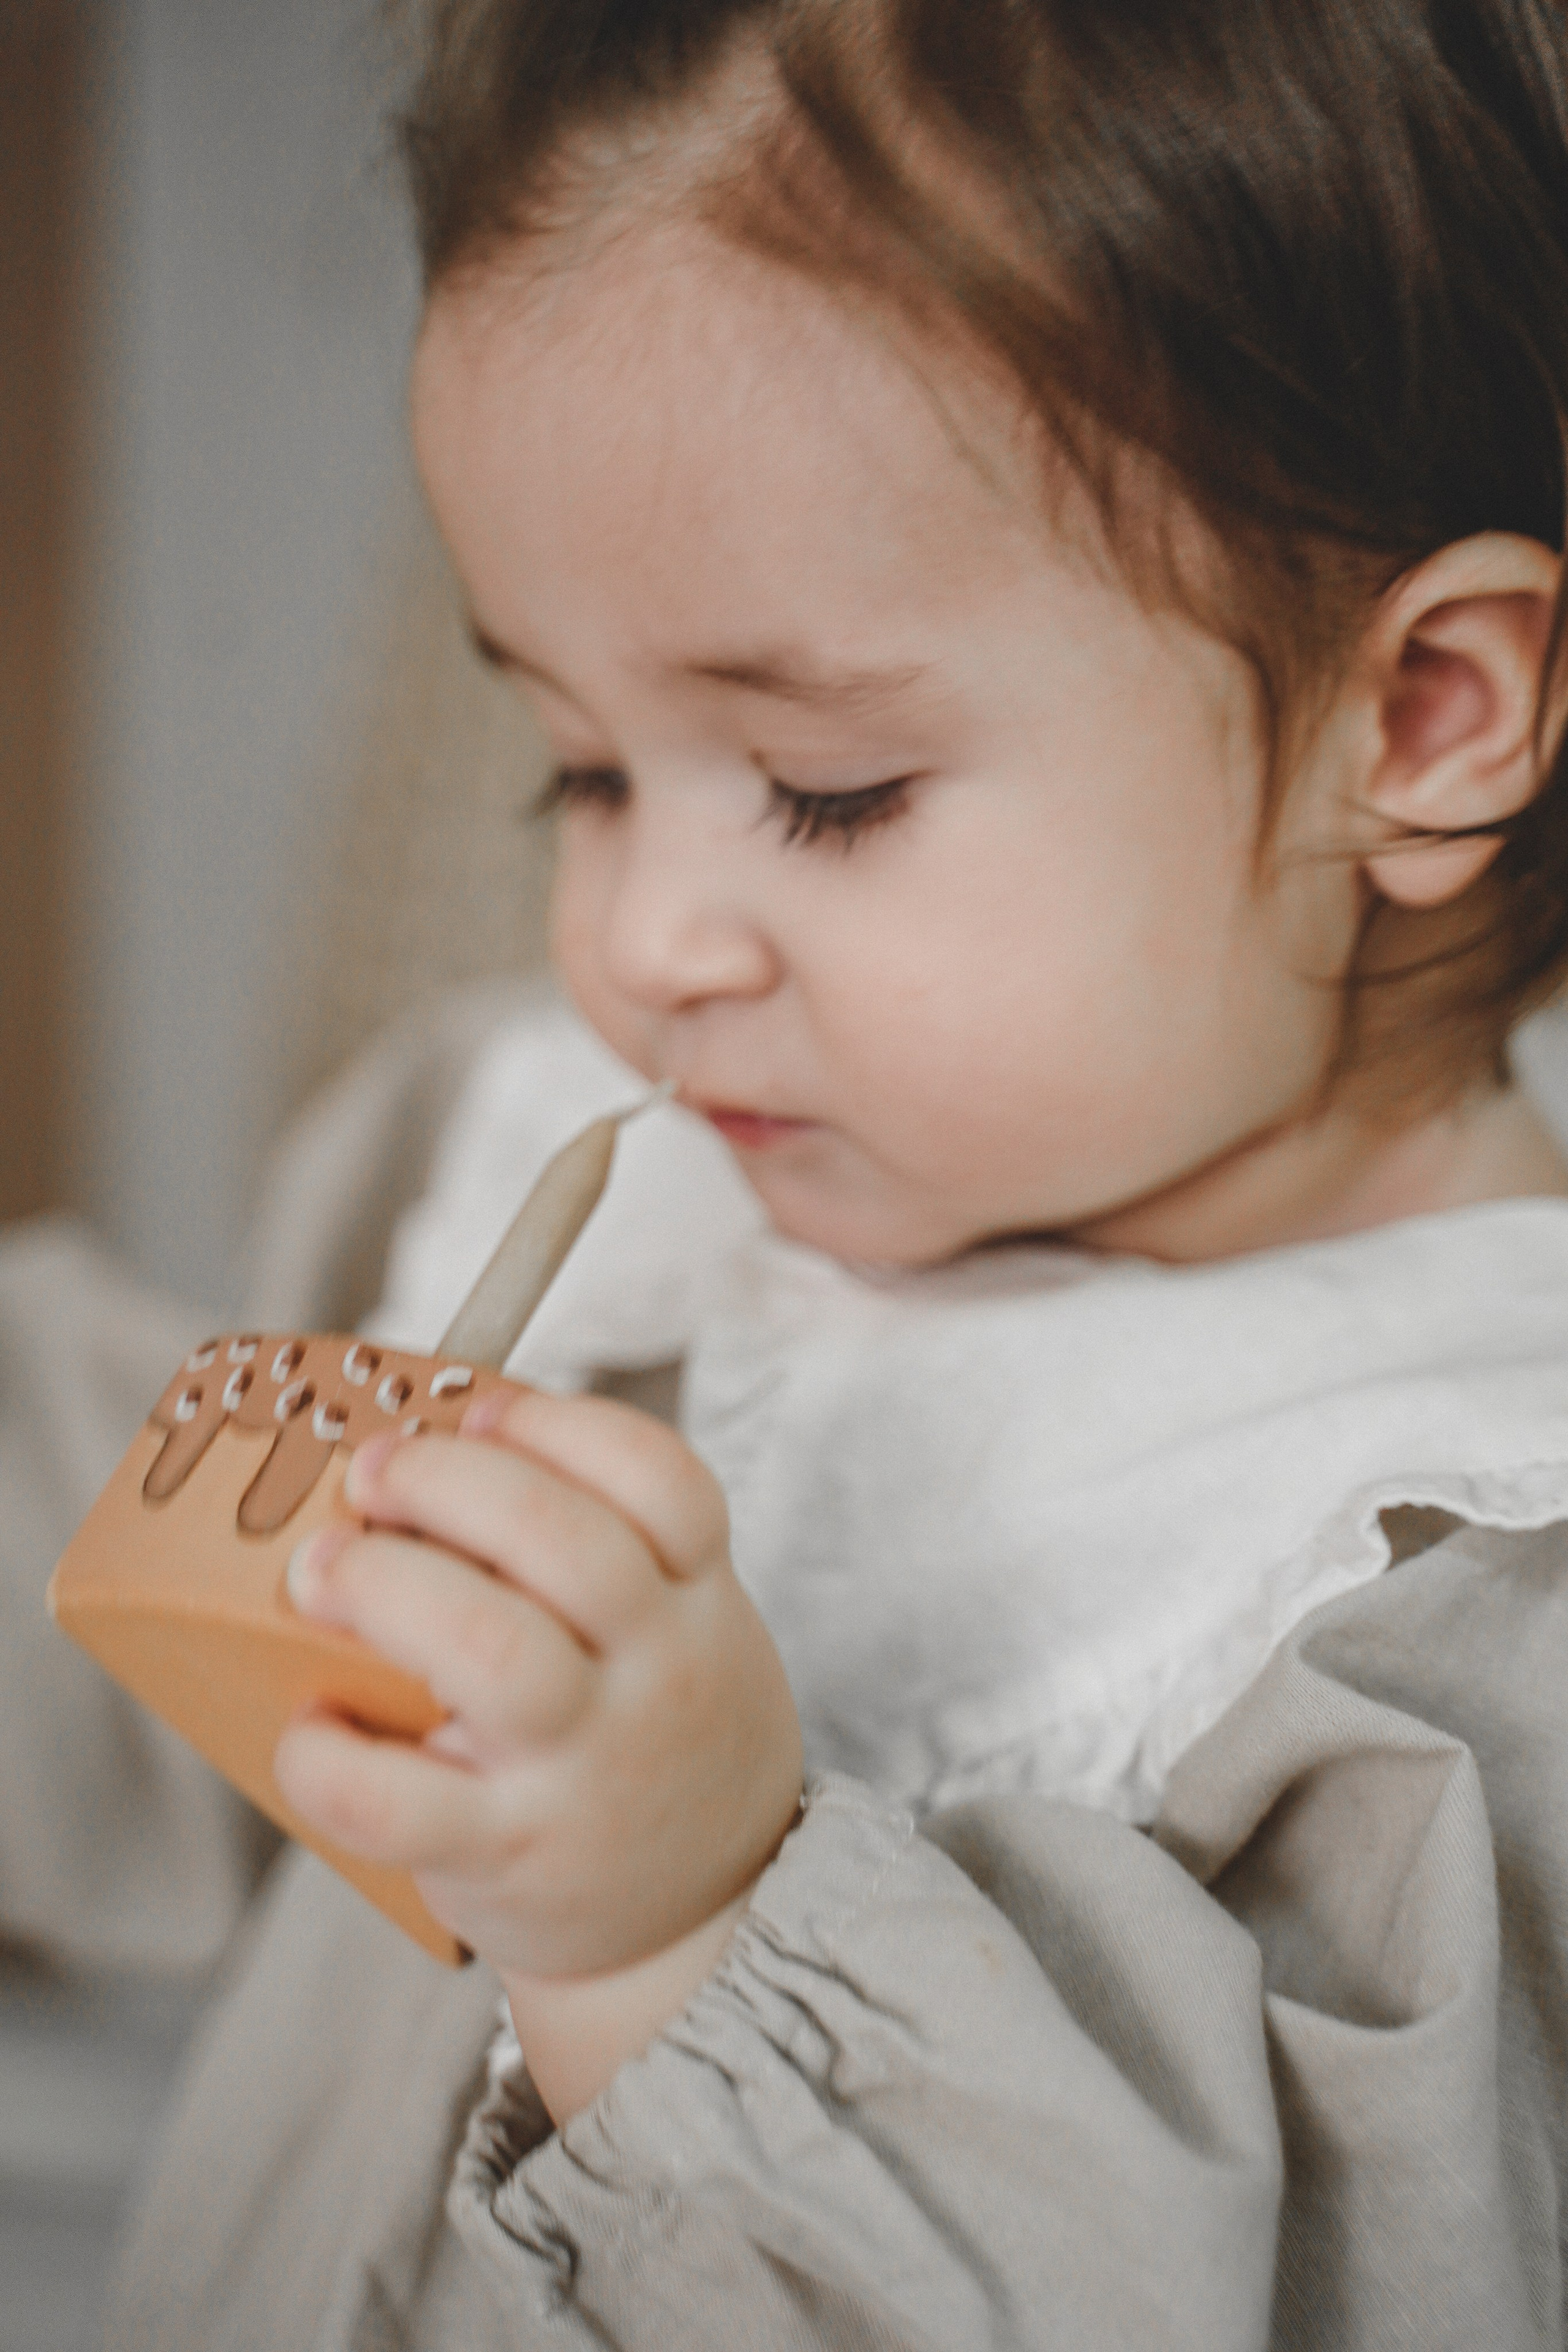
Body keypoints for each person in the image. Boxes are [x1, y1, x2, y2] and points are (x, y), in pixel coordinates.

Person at [42, 0, 1568, 2341]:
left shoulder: (1449, 1639)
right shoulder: (553, 1166)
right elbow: (156, 1589)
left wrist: (682, 1938)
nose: (643, 940)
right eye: (581, 769)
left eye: (828, 792)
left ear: (1424, 714)